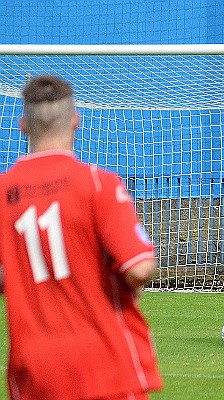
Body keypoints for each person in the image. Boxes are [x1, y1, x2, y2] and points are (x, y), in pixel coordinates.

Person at [0, 75, 162, 400]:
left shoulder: (3, 192)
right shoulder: (99, 185)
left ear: (22, 126)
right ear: (76, 120)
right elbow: (139, 268)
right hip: (103, 362)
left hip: (32, 370)